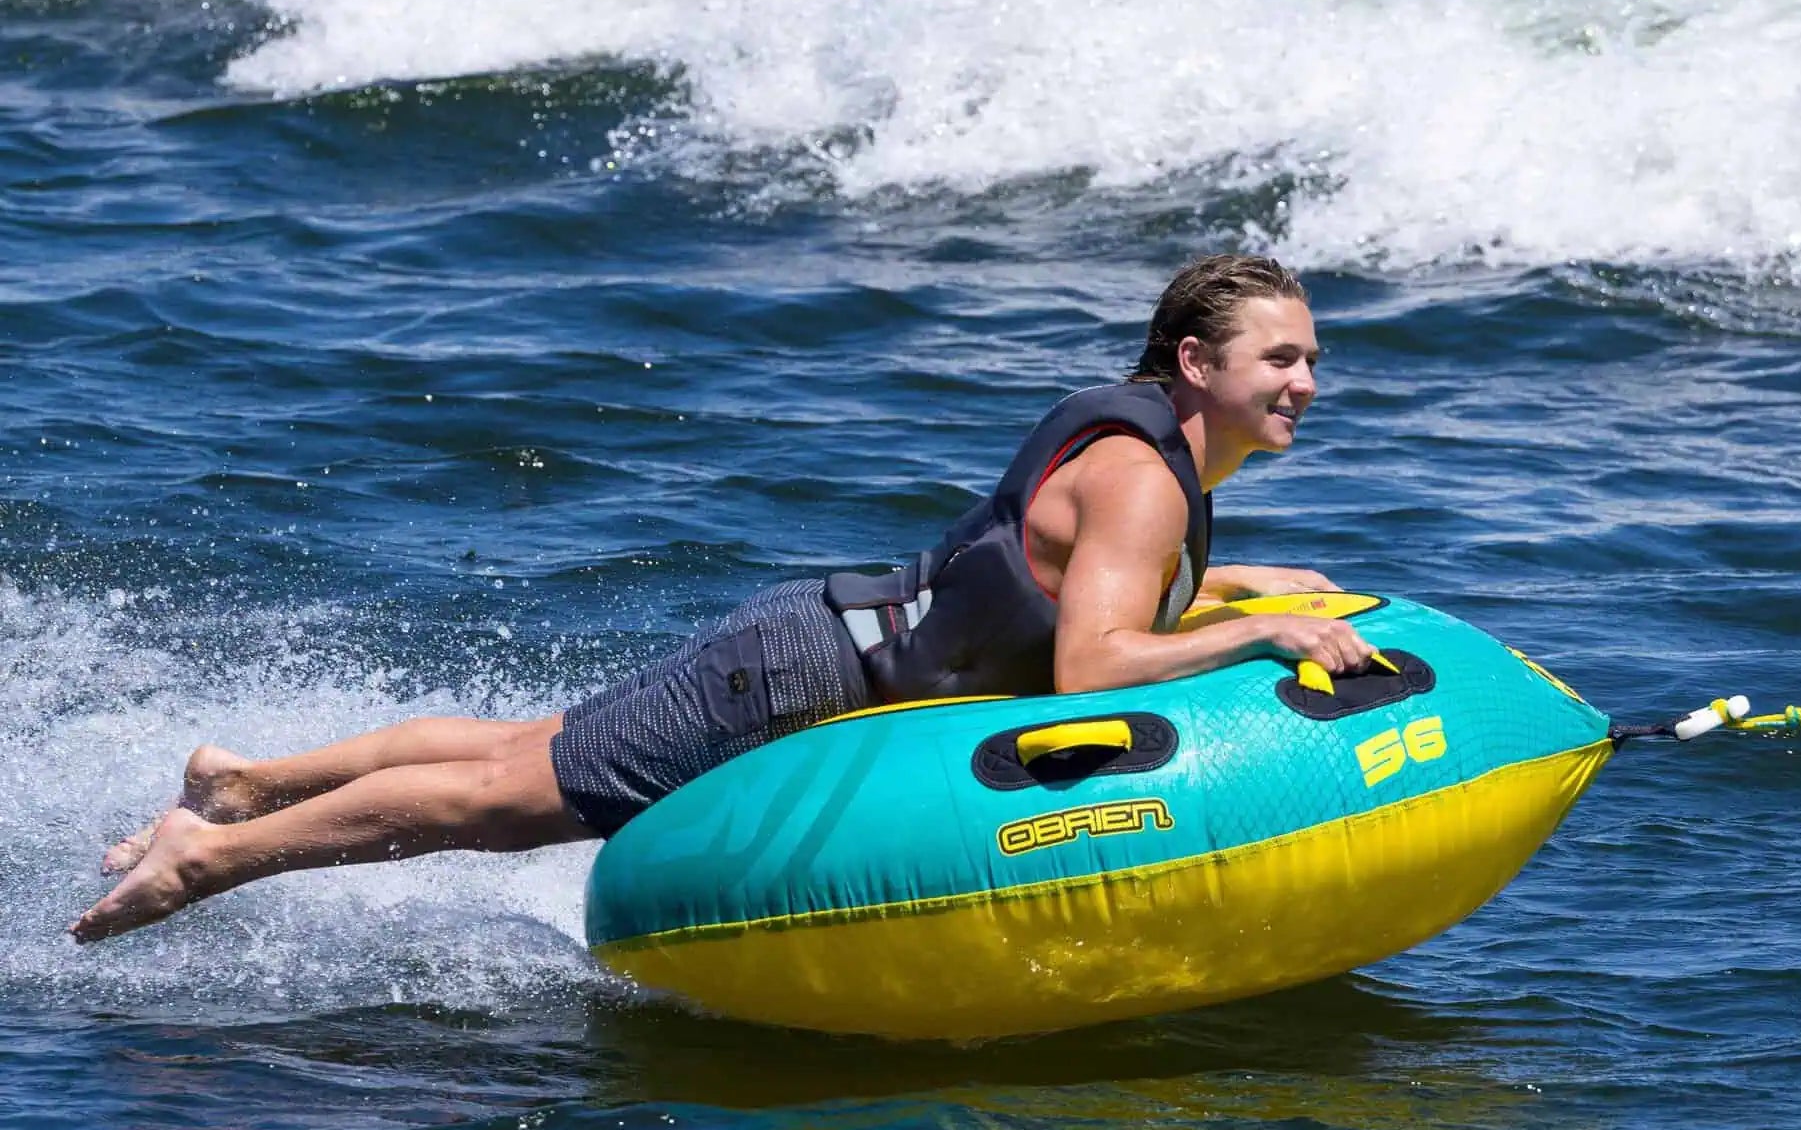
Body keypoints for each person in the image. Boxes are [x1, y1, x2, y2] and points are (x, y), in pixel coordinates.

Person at [72, 253, 1376, 943]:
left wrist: (1229, 578)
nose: (1305, 380)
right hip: (809, 676)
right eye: (1281, 356)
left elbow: (1057, 568)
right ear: (1194, 360)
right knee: (504, 801)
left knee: (516, 748)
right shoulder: (1144, 478)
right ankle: (214, 858)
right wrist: (1253, 627)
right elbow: (1092, 666)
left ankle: (245, 781)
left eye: (1312, 355)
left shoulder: (1147, 457)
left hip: (816, 636)